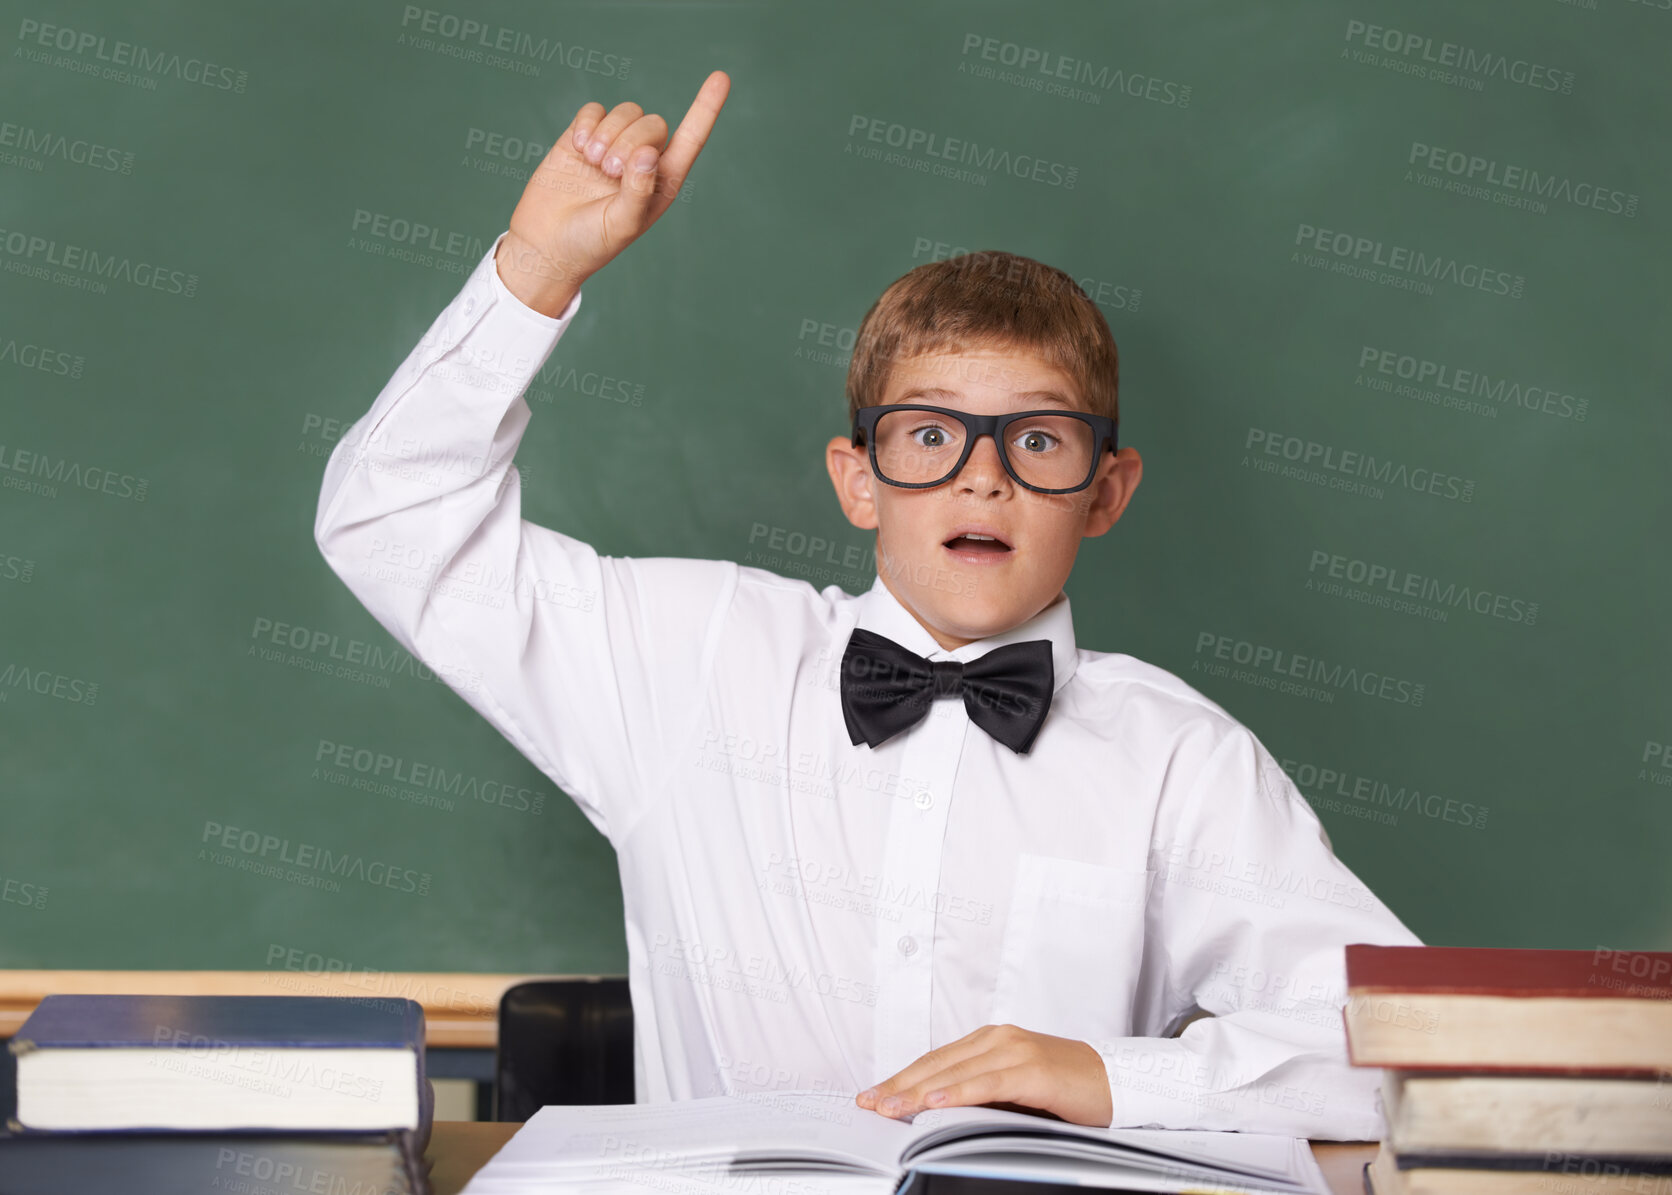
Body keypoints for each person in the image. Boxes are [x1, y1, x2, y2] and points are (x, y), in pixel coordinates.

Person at [314, 69, 1421, 1138]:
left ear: (1104, 492)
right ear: (857, 478)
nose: (982, 477)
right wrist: (536, 270)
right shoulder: (688, 658)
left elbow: (1400, 1047)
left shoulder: (1181, 761)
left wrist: (1106, 1074)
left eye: (1038, 440)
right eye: (930, 435)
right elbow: (389, 521)